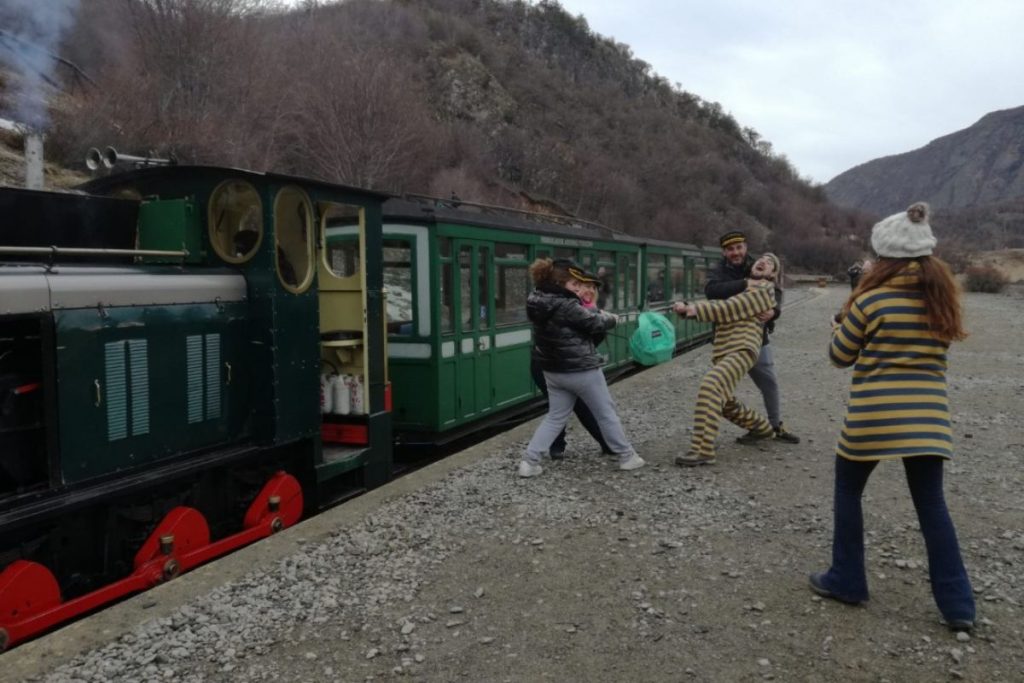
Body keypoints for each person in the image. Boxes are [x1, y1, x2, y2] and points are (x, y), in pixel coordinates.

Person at [810, 202, 975, 632]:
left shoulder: (870, 299)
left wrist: (838, 326)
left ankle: (846, 579)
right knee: (932, 506)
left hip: (873, 417)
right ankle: (958, 605)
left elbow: (840, 357)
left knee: (848, 490)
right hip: (929, 420)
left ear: (885, 257)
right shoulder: (942, 301)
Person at [519, 258, 644, 477]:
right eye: (574, 284)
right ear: (559, 283)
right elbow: (594, 324)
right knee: (606, 413)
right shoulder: (566, 304)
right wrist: (610, 319)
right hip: (580, 370)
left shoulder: (536, 300)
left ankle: (529, 462)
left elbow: (575, 321)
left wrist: (596, 314)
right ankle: (627, 456)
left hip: (552, 371)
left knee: (556, 416)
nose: (579, 287)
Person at [672, 254, 780, 466]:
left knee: (711, 386)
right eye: (762, 258)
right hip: (724, 350)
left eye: (770, 263)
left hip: (743, 348)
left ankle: (702, 450)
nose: (763, 261)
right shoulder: (745, 286)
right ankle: (762, 428)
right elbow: (719, 296)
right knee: (724, 402)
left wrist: (693, 309)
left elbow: (730, 307)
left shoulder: (764, 290)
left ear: (772, 274)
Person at [705, 231, 800, 444]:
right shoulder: (719, 270)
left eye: (739, 248)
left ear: (745, 248)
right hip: (727, 341)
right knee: (719, 390)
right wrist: (746, 284)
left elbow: (774, 289)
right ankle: (754, 426)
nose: (735, 253)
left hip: (757, 338)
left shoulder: (757, 263)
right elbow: (711, 291)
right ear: (724, 252)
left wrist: (774, 312)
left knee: (769, 383)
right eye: (730, 249)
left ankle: (775, 426)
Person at [529, 271, 613, 459]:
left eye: (593, 287)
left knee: (559, 409)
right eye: (584, 285)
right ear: (572, 287)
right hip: (551, 364)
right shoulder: (569, 308)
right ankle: (610, 445)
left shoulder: (587, 309)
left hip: (562, 364)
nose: (589, 290)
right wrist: (606, 320)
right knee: (579, 406)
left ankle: (547, 451)